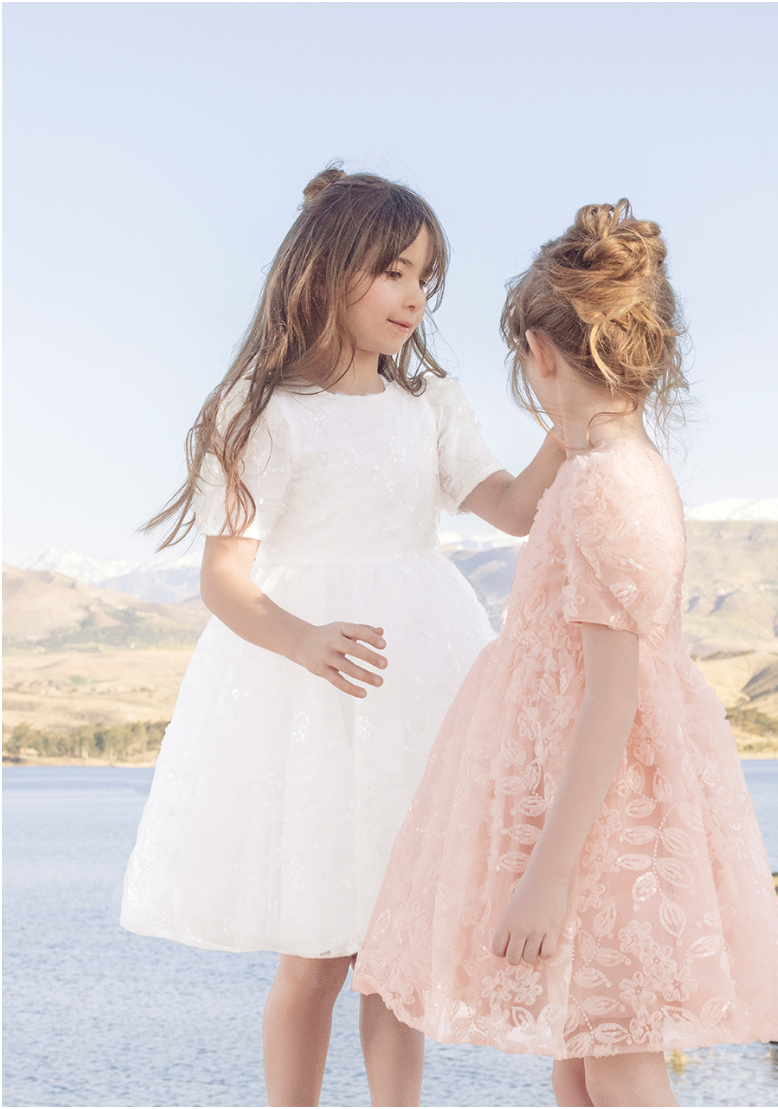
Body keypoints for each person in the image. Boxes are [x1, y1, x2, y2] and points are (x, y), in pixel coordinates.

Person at [120, 166, 565, 1107]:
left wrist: (568, 427)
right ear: (325, 272)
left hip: (422, 679)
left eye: (424, 277)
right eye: (392, 271)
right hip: (311, 691)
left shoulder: (429, 404)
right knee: (316, 952)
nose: (413, 296)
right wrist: (302, 640)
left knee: (396, 947)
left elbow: (514, 509)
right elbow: (224, 578)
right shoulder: (261, 412)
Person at [353, 200, 778, 1107]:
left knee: (617, 1054)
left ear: (539, 352)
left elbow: (612, 696)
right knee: (579, 1056)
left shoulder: (607, 486)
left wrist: (546, 875)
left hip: (603, 824)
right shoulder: (607, 466)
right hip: (590, 806)